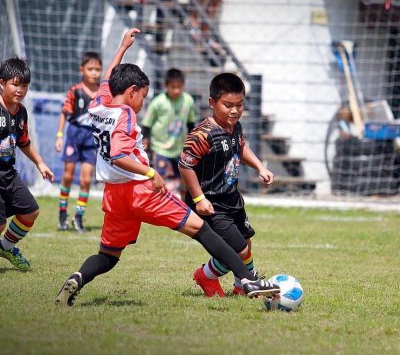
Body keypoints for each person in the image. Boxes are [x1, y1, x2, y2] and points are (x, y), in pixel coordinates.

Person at [55, 28, 279, 306]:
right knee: (202, 229)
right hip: (141, 191)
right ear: (132, 92)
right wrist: (151, 172)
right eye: (143, 96)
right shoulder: (125, 114)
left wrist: (122, 48)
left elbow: (107, 78)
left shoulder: (99, 105)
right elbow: (118, 154)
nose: (142, 103)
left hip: (114, 195)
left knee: (108, 255)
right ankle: (248, 279)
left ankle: (78, 278)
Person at [179, 72, 275, 297]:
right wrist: (199, 199)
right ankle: (207, 275)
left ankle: (240, 287)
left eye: (239, 105)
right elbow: (185, 166)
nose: (234, 111)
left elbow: (240, 146)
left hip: (232, 197)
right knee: (238, 250)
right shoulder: (202, 134)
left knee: (246, 243)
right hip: (210, 203)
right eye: (228, 105)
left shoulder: (235, 126)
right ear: (212, 103)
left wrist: (260, 167)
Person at [0, 57, 54, 271]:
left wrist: (40, 163)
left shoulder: (21, 112)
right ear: (2, 83)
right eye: (15, 84)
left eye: (24, 85)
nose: (20, 90)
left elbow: (23, 142)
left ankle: (6, 247)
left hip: (8, 174)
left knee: (31, 211)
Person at [54, 52, 102, 233]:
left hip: (92, 137)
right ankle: (62, 213)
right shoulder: (75, 91)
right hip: (74, 134)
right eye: (90, 69)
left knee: (86, 179)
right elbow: (64, 113)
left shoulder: (102, 93)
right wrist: (59, 135)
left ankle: (79, 216)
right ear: (82, 70)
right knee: (67, 175)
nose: (94, 73)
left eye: (97, 69)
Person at [141, 68, 196, 197]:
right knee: (161, 180)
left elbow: (191, 124)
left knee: (183, 180)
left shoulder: (188, 100)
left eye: (179, 87)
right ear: (166, 86)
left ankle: (183, 205)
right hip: (160, 148)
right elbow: (146, 124)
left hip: (179, 149)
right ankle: (160, 204)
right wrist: (146, 141)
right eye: (173, 87)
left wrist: (191, 144)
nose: (176, 90)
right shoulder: (158, 102)